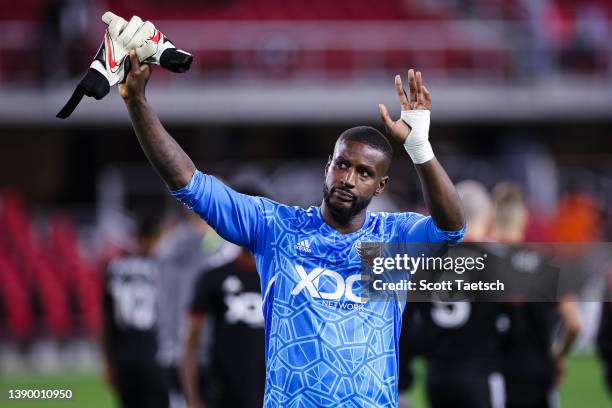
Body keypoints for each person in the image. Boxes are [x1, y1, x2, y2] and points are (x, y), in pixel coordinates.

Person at [117, 46, 465, 406]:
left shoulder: (393, 239)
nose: (348, 178)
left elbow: (452, 228)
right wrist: (138, 104)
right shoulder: (277, 229)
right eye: (342, 165)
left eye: (364, 173)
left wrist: (420, 148)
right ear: (326, 166)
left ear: (380, 186)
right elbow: (191, 185)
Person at [419, 180, 508, 408]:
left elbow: (410, 322)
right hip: (478, 376)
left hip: (436, 377)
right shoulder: (495, 262)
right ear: (488, 214)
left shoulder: (428, 261)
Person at [492, 183, 581, 408]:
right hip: (538, 377)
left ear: (493, 216)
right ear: (523, 217)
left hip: (494, 378)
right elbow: (574, 323)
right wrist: (559, 355)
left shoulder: (482, 267)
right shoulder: (544, 266)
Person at [98, 212, 169, 408]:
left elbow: (105, 319)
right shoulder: (162, 266)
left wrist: (107, 361)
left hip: (123, 359)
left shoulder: (115, 267)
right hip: (154, 357)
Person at [183, 246, 265, 408]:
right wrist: (192, 398)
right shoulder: (215, 275)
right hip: (223, 390)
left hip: (270, 391)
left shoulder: (281, 277)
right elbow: (191, 341)